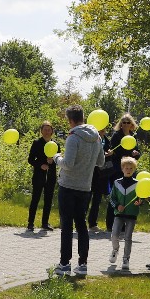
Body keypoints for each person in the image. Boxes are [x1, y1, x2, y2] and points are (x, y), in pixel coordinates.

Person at [54, 106, 104, 276]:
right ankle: (82, 264)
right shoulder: (97, 137)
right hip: (85, 187)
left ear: (70, 120)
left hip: (68, 186)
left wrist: (56, 157)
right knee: (81, 225)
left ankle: (64, 263)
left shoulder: (73, 137)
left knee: (67, 226)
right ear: (83, 117)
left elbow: (67, 164)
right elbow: (101, 162)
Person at [94, 114, 142, 233]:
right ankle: (110, 224)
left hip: (130, 170)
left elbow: (137, 151)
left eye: (128, 122)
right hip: (118, 169)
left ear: (131, 124)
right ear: (120, 124)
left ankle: (124, 225)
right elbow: (114, 151)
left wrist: (136, 153)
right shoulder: (116, 135)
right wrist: (127, 153)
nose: (125, 124)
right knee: (116, 196)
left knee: (128, 197)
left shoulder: (133, 136)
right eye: (123, 122)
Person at [108, 157, 141, 272]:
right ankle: (115, 250)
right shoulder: (117, 183)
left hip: (132, 214)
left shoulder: (138, 184)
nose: (128, 170)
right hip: (119, 214)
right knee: (114, 235)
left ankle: (126, 259)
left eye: (131, 168)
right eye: (126, 168)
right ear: (122, 169)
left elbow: (140, 197)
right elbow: (112, 198)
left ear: (134, 169)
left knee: (128, 238)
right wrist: (117, 206)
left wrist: (140, 202)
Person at [26, 122, 57, 232]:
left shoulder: (55, 144)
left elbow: (58, 159)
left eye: (49, 130)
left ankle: (45, 223)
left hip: (51, 176)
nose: (47, 132)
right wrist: (40, 165)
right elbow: (30, 159)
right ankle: (30, 223)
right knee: (35, 199)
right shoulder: (37, 143)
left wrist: (53, 161)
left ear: (52, 131)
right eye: (45, 129)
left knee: (48, 200)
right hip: (39, 175)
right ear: (41, 131)